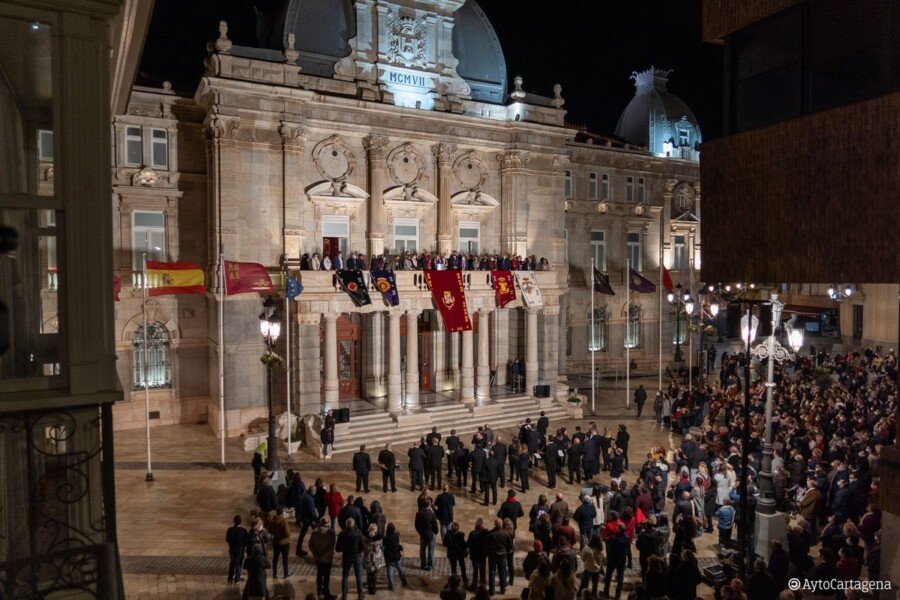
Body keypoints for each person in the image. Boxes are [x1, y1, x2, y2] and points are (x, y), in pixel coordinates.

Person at [336, 517, 365, 600]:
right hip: (357, 557)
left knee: (345, 576)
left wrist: (344, 548)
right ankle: (360, 595)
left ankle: (344, 595)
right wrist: (358, 552)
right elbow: (363, 547)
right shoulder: (358, 533)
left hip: (346, 557)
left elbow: (337, 549)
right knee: (358, 576)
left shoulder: (342, 534)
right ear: (353, 524)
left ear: (346, 525)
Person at [309, 517, 336, 600]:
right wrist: (323, 556)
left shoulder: (315, 532)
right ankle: (326, 593)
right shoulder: (331, 533)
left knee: (319, 574)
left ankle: (319, 591)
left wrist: (316, 555)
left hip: (318, 559)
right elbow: (331, 547)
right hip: (327, 559)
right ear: (328, 523)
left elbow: (310, 545)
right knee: (326, 576)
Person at [485, 518, 513, 596]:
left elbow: (486, 546)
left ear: (495, 525)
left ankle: (492, 591)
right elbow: (510, 545)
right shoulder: (505, 534)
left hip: (493, 556)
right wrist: (505, 552)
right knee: (502, 572)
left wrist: (488, 553)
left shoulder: (490, 534)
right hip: (502, 556)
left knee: (492, 572)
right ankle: (503, 589)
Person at [603, 523, 629, 599]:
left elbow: (606, 540)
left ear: (620, 530)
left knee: (608, 575)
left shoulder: (613, 539)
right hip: (622, 559)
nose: (616, 529)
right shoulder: (626, 538)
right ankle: (618, 594)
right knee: (620, 575)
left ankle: (606, 591)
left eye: (617, 528)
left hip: (612, 559)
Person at [415, 498, 438, 570]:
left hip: (423, 534)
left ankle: (423, 564)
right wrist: (435, 533)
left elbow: (416, 525)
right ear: (429, 505)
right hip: (431, 534)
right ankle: (430, 565)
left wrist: (420, 532)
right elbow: (436, 526)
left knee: (422, 550)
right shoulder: (432, 515)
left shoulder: (418, 513)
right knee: (431, 550)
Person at [269, 507, 292, 579]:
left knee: (275, 558)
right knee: (285, 558)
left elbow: (269, 530)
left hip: (276, 541)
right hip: (284, 542)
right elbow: (288, 534)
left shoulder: (272, 521)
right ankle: (286, 574)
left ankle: (274, 573)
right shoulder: (284, 521)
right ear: (282, 513)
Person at [467, 518, 488, 591]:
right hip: (482, 555)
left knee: (475, 571)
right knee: (483, 571)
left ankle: (474, 585)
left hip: (474, 556)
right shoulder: (485, 532)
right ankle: (483, 586)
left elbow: (468, 544)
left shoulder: (472, 533)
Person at [363, 523, 384, 595]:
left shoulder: (365, 539)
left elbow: (364, 548)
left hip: (368, 559)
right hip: (376, 560)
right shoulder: (378, 541)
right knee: (374, 574)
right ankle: (374, 588)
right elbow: (381, 547)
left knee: (369, 574)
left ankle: (369, 588)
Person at [226, 514, 248, 584]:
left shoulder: (230, 530)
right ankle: (237, 579)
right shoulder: (243, 530)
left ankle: (230, 579)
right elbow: (246, 541)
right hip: (240, 550)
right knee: (238, 564)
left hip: (232, 549)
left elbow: (227, 539)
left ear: (234, 521)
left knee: (232, 563)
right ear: (240, 522)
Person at [446, 522, 469, 587]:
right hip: (460, 554)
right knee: (462, 567)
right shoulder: (461, 535)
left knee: (453, 568)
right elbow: (464, 545)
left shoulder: (448, 535)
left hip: (452, 554)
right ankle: (464, 579)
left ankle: (454, 581)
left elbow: (445, 543)